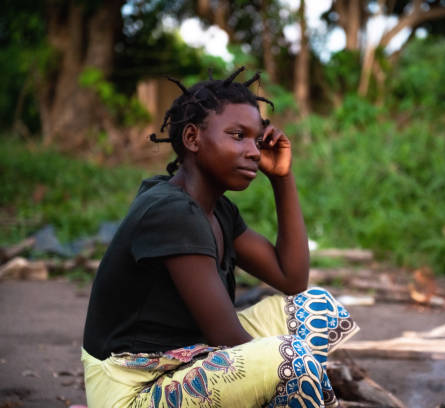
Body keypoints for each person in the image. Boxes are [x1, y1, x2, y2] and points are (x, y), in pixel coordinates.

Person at [81, 67, 359, 408]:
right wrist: (281, 368)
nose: (255, 151)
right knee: (288, 360)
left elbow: (292, 277)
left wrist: (282, 178)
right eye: (237, 135)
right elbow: (228, 339)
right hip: (133, 388)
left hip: (185, 360)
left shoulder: (217, 210)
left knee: (316, 310)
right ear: (193, 138)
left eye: (257, 140)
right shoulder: (171, 212)